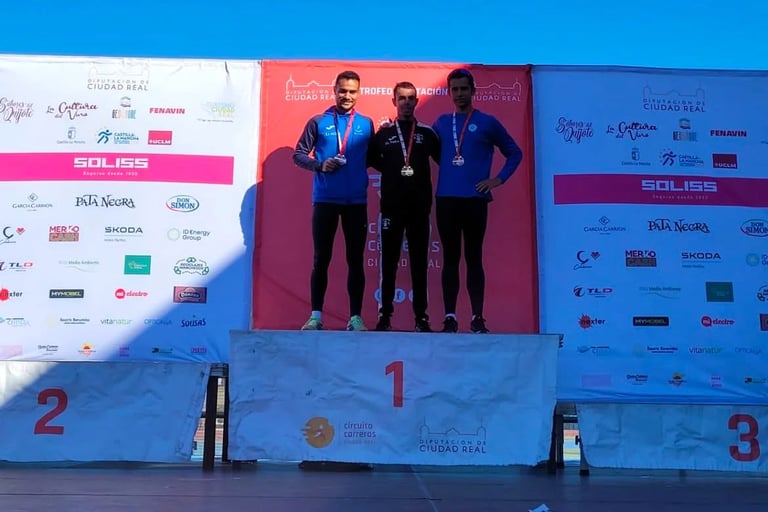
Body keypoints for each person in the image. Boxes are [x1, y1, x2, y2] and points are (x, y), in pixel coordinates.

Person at [431, 68, 523, 334]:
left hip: (475, 200)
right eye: (455, 89)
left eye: (464, 89)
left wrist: (497, 180)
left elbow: (514, 153)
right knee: (450, 258)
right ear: (450, 93)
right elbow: (439, 154)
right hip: (446, 199)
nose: (459, 94)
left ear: (473, 91)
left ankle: (477, 318)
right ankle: (449, 317)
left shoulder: (487, 122)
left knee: (473, 257)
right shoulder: (440, 122)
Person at [293, 70, 375, 331]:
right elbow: (298, 154)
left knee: (355, 259)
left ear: (358, 93)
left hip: (356, 202)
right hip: (326, 199)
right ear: (334, 90)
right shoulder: (318, 121)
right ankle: (316, 316)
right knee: (321, 258)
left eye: (352, 91)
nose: (347, 96)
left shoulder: (366, 123)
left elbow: (371, 158)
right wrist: (320, 164)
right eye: (343, 90)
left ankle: (355, 318)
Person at [368, 82, 440, 332]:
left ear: (417, 101)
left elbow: (445, 161)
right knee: (388, 263)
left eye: (411, 98)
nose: (406, 103)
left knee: (420, 264)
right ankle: (384, 317)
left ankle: (421, 318)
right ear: (394, 101)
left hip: (420, 209)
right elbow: (370, 160)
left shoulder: (428, 134)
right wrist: (393, 172)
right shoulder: (384, 134)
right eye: (402, 98)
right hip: (391, 208)